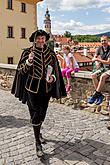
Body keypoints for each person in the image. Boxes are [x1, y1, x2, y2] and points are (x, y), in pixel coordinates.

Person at [11, 29, 66, 157]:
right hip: (31, 88)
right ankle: (37, 144)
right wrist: (29, 62)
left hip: (46, 88)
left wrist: (53, 78)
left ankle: (38, 131)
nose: (41, 41)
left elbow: (55, 71)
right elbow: (21, 71)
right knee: (35, 113)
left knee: (43, 113)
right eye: (38, 38)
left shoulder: (51, 53)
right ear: (34, 40)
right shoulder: (27, 53)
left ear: (45, 39)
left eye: (43, 38)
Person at [88, 35, 110, 105]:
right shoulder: (99, 49)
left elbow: (108, 62)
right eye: (102, 41)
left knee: (103, 76)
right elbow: (93, 58)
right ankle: (99, 94)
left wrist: (97, 59)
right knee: (93, 75)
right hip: (103, 68)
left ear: (108, 41)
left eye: (105, 40)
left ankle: (95, 95)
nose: (103, 42)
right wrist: (97, 62)